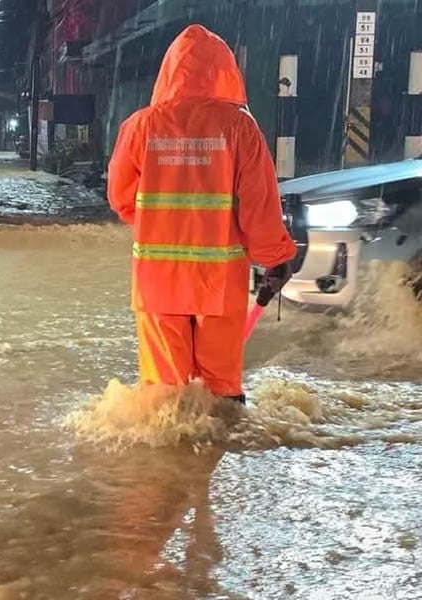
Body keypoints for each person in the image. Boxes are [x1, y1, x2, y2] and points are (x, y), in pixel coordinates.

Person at [106, 24, 297, 404]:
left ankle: (168, 460)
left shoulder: (140, 126)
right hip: (219, 283)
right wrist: (277, 259)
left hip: (158, 282)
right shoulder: (240, 128)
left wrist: (164, 225)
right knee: (222, 391)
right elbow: (259, 207)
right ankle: (215, 457)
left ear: (169, 72)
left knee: (164, 396)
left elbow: (120, 199)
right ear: (224, 71)